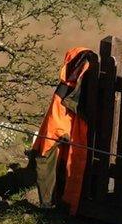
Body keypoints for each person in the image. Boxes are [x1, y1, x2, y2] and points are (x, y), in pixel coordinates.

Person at [29, 46, 93, 214]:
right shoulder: (75, 88)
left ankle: (53, 204)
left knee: (50, 157)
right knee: (69, 161)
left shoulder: (66, 89)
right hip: (71, 120)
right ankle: (61, 206)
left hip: (66, 118)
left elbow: (46, 146)